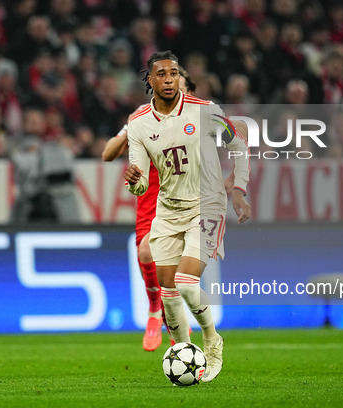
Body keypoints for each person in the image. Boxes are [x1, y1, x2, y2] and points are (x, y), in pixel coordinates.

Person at [124, 50, 251, 383]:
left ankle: (211, 338)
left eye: (174, 73)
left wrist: (239, 188)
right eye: (162, 74)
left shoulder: (205, 111)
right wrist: (135, 182)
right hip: (168, 210)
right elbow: (141, 185)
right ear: (149, 80)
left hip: (206, 205)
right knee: (168, 291)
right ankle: (186, 354)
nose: (169, 79)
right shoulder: (138, 124)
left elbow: (238, 143)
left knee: (185, 282)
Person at [101, 66, 197, 352]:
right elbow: (107, 154)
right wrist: (131, 129)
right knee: (146, 251)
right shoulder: (144, 118)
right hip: (149, 200)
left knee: (170, 264)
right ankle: (157, 311)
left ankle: (169, 316)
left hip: (182, 201)